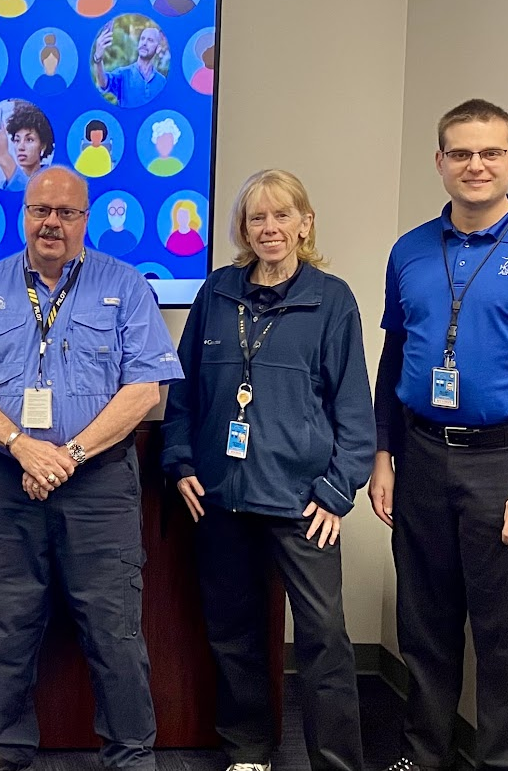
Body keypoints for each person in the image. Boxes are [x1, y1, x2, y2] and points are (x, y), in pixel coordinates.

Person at [369, 99, 508, 771]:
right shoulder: (409, 250)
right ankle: (423, 755)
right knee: (424, 629)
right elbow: (396, 361)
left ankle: (506, 763)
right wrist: (385, 453)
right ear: (440, 161)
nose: (476, 165)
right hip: (419, 457)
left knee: (506, 638)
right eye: (461, 153)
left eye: (490, 153)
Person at [0, 166, 182, 771]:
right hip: (8, 477)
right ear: (24, 214)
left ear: (86, 220)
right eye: (41, 210)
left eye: (66, 213)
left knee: (113, 625)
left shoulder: (126, 285)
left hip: (97, 481)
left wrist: (67, 455)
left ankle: (130, 753)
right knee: (6, 618)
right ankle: (6, 743)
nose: (52, 223)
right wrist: (21, 445)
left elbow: (145, 388)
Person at [163, 169, 371, 771]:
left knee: (324, 640)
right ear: (243, 228)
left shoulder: (331, 299)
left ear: (305, 223)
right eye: (258, 218)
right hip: (222, 495)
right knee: (235, 634)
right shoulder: (217, 292)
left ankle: (336, 762)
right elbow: (184, 393)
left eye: (283, 216)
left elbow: (353, 404)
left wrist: (337, 490)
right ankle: (248, 751)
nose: (270, 228)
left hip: (301, 500)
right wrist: (179, 461)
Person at [0, 101, 55, 192]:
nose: (20, 147)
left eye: (29, 139)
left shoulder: (53, 180)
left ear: (43, 146)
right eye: (17, 140)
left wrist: (3, 157)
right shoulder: (2, 184)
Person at [93, 23, 168, 107]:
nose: (144, 43)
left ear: (158, 49)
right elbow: (103, 83)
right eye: (142, 39)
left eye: (150, 40)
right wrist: (98, 59)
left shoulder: (162, 81)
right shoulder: (123, 73)